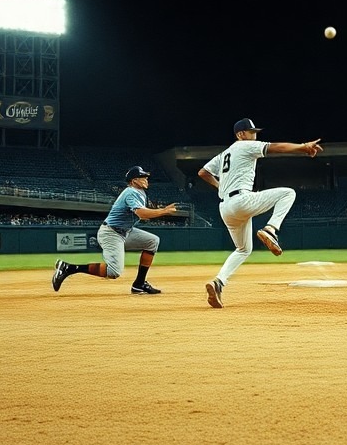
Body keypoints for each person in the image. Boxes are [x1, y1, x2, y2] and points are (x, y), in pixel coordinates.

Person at [197, 117, 323, 308]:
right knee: (288, 193)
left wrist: (220, 186)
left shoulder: (224, 154)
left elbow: (203, 172)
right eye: (251, 132)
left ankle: (218, 283)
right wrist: (303, 147)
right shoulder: (244, 146)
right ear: (241, 134)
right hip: (242, 201)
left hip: (225, 208)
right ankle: (271, 229)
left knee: (243, 249)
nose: (254, 135)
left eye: (255, 132)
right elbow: (276, 147)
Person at [51, 165, 178, 295]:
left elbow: (142, 215)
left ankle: (139, 284)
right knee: (113, 272)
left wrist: (154, 212)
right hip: (111, 233)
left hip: (125, 232)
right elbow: (142, 214)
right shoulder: (131, 192)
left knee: (152, 241)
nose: (146, 179)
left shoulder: (140, 193)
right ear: (134, 181)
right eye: (142, 177)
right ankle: (70, 268)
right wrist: (163, 211)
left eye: (146, 177)